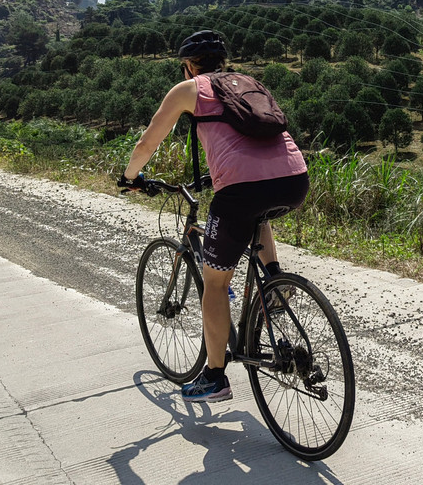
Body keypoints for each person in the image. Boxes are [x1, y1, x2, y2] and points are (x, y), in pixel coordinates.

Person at [119, 29, 309, 402]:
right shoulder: (248, 82)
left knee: (216, 284)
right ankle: (274, 280)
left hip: (241, 189)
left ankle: (215, 377)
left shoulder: (188, 89)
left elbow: (148, 142)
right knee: (258, 214)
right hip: (294, 178)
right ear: (222, 61)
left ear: (189, 65)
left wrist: (130, 177)